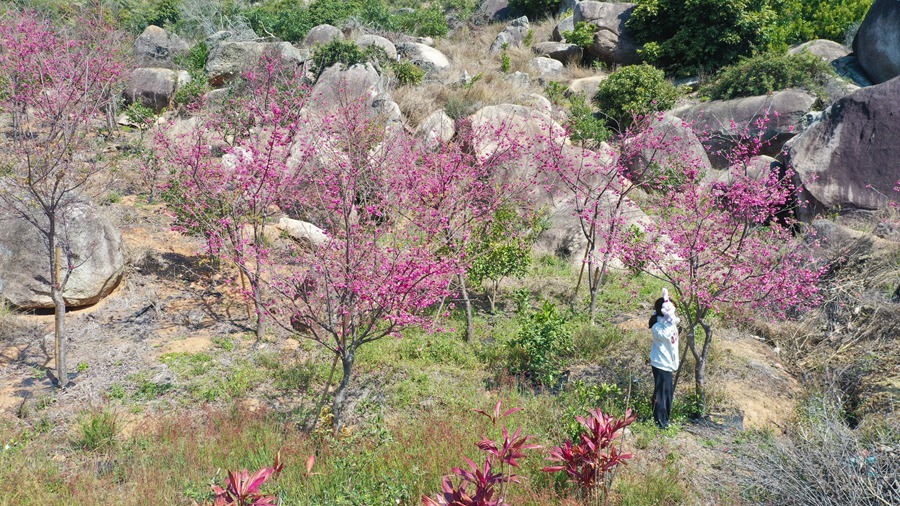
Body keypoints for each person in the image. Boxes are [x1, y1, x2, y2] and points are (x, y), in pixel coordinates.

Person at [649, 288, 679, 429]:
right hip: (660, 363)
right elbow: (665, 336)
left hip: (668, 362)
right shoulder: (657, 326)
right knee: (661, 393)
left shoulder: (668, 323)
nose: (674, 314)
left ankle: (665, 419)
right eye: (671, 310)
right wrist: (669, 322)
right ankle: (660, 422)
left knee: (667, 393)